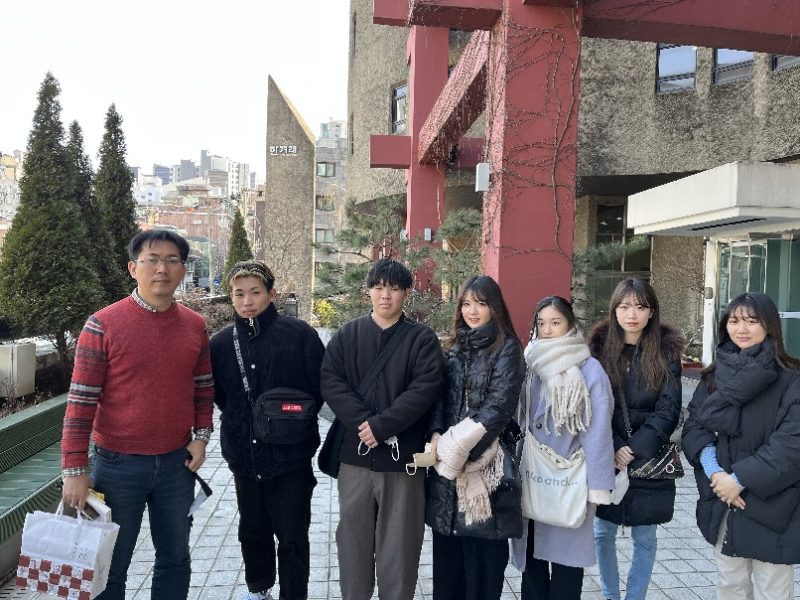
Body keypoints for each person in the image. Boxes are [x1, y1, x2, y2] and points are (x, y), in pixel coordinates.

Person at [61, 229, 215, 600]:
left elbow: (203, 388)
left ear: (182, 270)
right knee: (110, 567)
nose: (162, 268)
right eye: (152, 260)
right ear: (133, 268)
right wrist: (75, 471)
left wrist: (201, 437)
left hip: (177, 464)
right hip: (117, 466)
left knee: (175, 559)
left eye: (172, 260)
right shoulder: (102, 325)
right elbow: (80, 404)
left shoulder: (194, 325)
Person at [321, 258, 444, 600]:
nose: (385, 295)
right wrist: (364, 423)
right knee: (352, 542)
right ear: (368, 291)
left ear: (406, 292)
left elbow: (424, 389)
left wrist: (382, 425)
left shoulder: (421, 339)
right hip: (355, 457)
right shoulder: (348, 334)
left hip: (403, 461)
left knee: (400, 547)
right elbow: (331, 380)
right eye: (378, 287)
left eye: (393, 288)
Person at [209, 261, 324, 600]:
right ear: (231, 297)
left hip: (292, 456)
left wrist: (291, 424)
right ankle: (258, 589)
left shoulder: (300, 335)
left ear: (271, 294)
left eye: (255, 292)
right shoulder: (220, 344)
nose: (247, 301)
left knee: (293, 534)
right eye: (239, 294)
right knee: (252, 529)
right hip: (244, 455)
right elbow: (220, 396)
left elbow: (319, 388)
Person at [682, 292, 800, 600]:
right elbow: (695, 426)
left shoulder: (792, 380)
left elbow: (791, 445)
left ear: (769, 326)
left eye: (751, 321)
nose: (742, 329)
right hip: (725, 502)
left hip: (775, 506)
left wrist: (739, 479)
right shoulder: (714, 377)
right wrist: (715, 472)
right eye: (734, 321)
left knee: (773, 591)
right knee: (730, 587)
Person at [425, 275, 525, 600]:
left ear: (495, 307)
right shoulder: (453, 347)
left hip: (485, 466)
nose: (472, 311)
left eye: (480, 304)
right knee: (448, 568)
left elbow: (499, 407)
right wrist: (437, 435)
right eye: (466, 303)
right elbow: (439, 399)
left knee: (482, 569)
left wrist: (458, 451)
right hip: (446, 471)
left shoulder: (507, 348)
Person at [513, 295, 615, 600]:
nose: (547, 329)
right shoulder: (530, 362)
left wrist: (598, 486)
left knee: (567, 564)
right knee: (532, 559)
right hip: (533, 474)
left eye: (555, 322)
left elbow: (598, 433)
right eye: (541, 323)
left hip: (569, 480)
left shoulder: (589, 369)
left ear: (570, 324)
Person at [588, 278, 683, 600]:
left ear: (651, 312)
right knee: (602, 532)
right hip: (608, 456)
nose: (632, 314)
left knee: (645, 537)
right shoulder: (598, 351)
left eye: (641, 307)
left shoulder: (666, 352)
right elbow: (592, 405)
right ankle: (610, 595)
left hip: (649, 459)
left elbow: (669, 408)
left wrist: (635, 448)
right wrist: (615, 446)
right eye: (625, 306)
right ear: (614, 310)